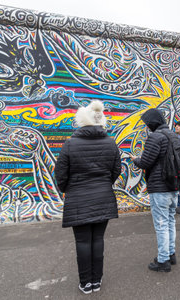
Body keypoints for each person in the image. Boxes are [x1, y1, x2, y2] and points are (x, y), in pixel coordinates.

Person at [54, 101, 121, 294]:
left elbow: (61, 173)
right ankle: (96, 281)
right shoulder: (110, 142)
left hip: (78, 198)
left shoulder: (70, 143)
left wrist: (68, 188)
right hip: (103, 197)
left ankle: (86, 283)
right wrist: (104, 184)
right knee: (98, 239)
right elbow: (117, 169)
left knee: (82, 241)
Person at [129, 108, 179, 272]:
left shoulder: (155, 137)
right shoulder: (173, 135)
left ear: (152, 123)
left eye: (147, 124)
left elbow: (146, 162)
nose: (146, 127)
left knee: (161, 224)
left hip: (159, 187)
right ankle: (171, 254)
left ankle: (163, 260)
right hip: (174, 185)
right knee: (170, 220)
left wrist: (136, 159)